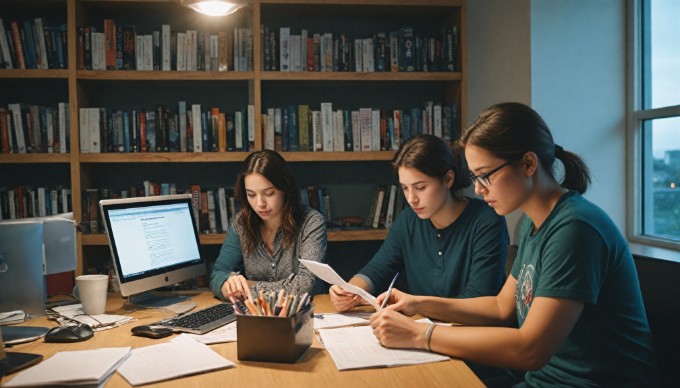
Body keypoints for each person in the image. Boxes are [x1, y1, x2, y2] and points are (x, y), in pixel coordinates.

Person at [369, 102, 658, 386]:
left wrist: (421, 335)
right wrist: (418, 303)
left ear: (529, 164)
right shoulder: (533, 223)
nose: (479, 189)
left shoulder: (574, 227)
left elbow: (530, 349)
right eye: (474, 177)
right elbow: (500, 306)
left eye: (486, 175)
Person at [330, 134, 509, 312]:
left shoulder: (487, 221)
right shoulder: (408, 220)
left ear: (448, 179)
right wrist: (350, 291)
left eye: (420, 188)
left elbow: (478, 299)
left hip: (471, 334)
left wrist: (418, 307)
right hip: (421, 329)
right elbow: (377, 269)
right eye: (405, 188)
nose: (411, 199)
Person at [210, 149, 327, 301]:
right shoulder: (241, 223)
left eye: (269, 193)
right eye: (251, 195)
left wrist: (250, 287)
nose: (260, 204)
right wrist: (227, 285)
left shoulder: (311, 222)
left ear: (285, 189)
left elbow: (305, 285)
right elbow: (218, 273)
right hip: (259, 316)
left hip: (307, 316)